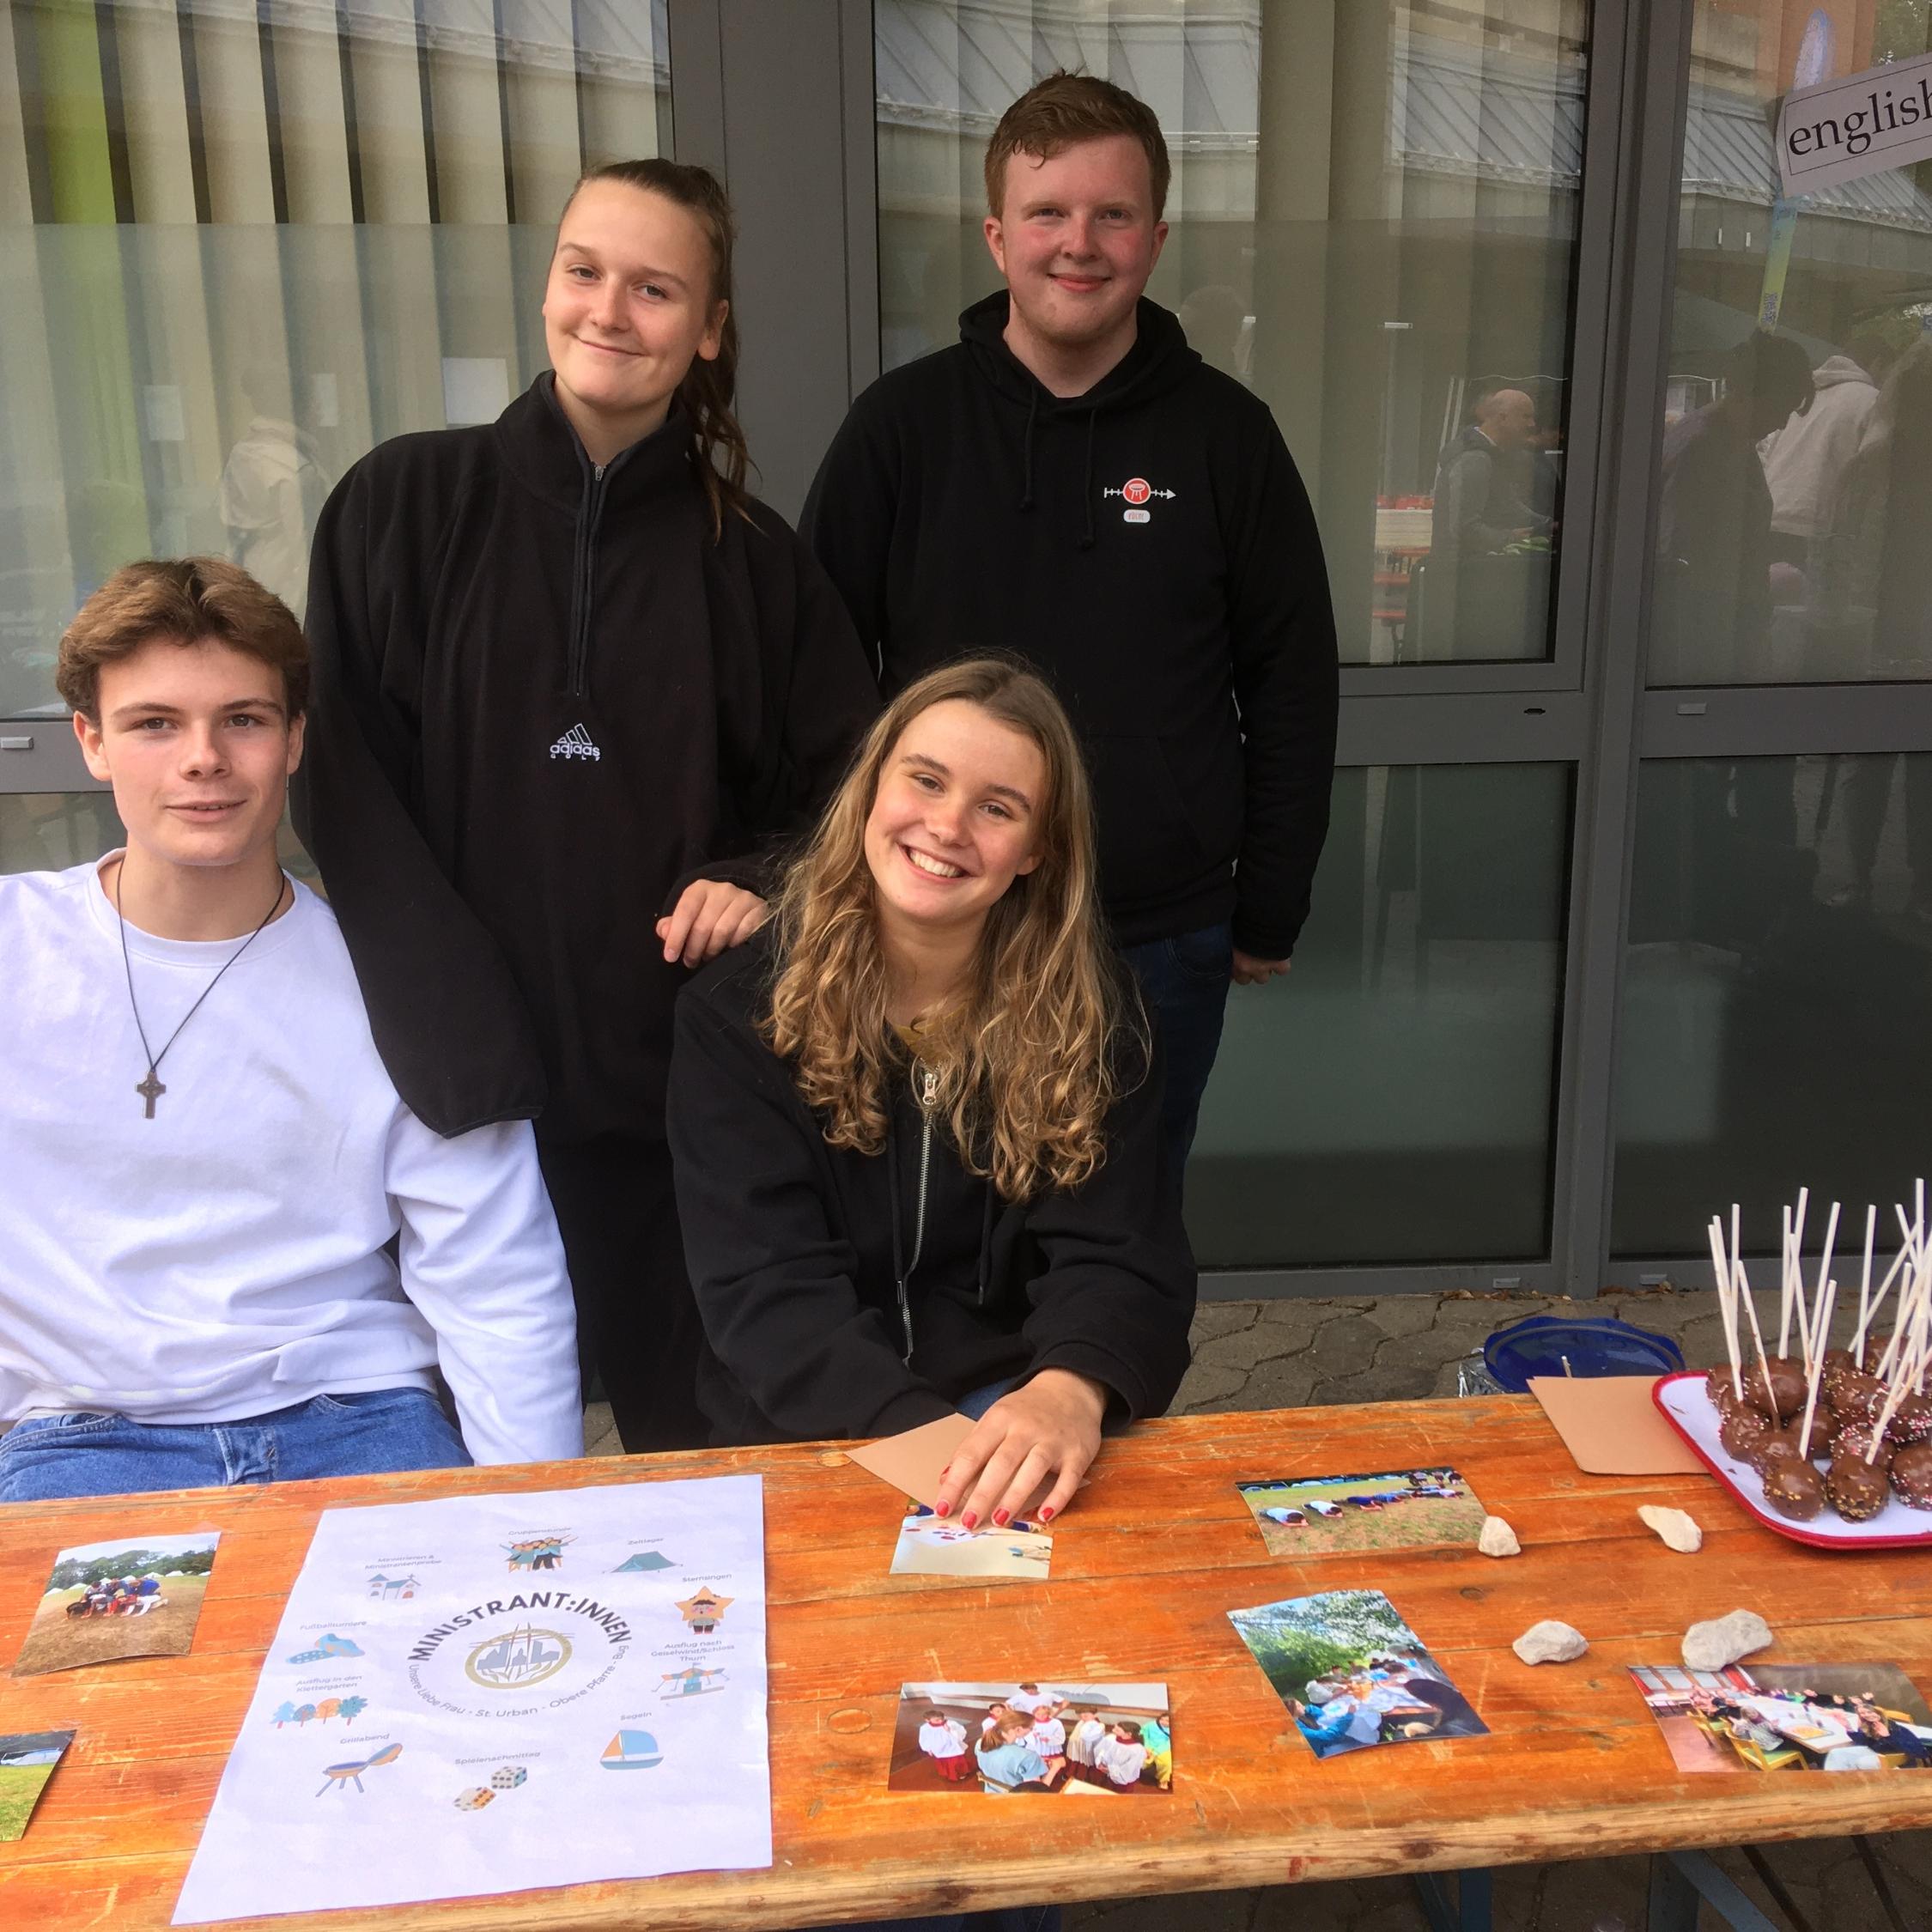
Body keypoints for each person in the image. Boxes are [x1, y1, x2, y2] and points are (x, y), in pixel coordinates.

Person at [297, 159, 878, 1454]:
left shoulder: (757, 561)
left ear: (709, 328)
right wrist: (453, 1037)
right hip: (461, 1098)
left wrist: (763, 878)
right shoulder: (401, 508)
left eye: (655, 287)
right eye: (583, 270)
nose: (608, 310)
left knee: (701, 1455)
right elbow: (342, 781)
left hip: (685, 1100)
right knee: (486, 1469)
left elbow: (846, 800)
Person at [801, 72, 1339, 1191]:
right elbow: (814, 676)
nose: (1077, 244)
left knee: (1120, 1238)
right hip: (936, 925)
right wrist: (833, 892)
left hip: (1156, 933)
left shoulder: (1227, 439)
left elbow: (1290, 678)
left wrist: (1267, 901)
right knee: (924, 1229)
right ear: (997, 236)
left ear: (1155, 235)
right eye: (1047, 213)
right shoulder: (900, 431)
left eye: (1111, 214)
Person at [0, 559, 581, 1503]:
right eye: (155, 723)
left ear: (295, 738)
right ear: (91, 741)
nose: (203, 759)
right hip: (84, 1437)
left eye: (244, 719)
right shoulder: (14, 945)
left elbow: (494, 1269)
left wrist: (530, 1515)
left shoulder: (406, 974)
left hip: (356, 1417)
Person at [667, 659, 1197, 1528]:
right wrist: (932, 1457)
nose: (947, 825)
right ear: (871, 791)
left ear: (1038, 851)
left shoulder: (1097, 1018)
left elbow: (1124, 1251)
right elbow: (766, 1291)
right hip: (800, 1422)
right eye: (925, 780)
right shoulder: (737, 1014)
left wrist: (1073, 1389)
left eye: (999, 807)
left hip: (1015, 1410)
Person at [975, 1716, 1056, 1792]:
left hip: (991, 1792)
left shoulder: (981, 1743)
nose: (1034, 1730)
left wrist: (1035, 1763)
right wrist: (1055, 1767)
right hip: (1015, 1799)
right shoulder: (1029, 1757)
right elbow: (1034, 1793)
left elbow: (1001, 1763)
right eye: (1032, 1727)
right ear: (1018, 1730)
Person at [916, 1710, 975, 1783]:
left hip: (953, 1748)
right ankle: (949, 1774)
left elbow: (962, 1732)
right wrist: (928, 1749)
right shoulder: (925, 1728)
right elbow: (924, 1739)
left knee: (957, 1762)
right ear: (927, 1720)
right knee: (945, 1762)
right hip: (939, 1749)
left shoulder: (950, 1723)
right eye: (937, 1720)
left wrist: (950, 1730)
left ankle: (961, 1772)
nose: (940, 1721)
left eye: (942, 1719)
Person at [1092, 1720, 1149, 1789]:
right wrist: (1100, 1761)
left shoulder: (1137, 1749)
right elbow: (1099, 1750)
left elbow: (1129, 1769)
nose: (1113, 1730)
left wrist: (1109, 1770)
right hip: (1103, 1773)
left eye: (1117, 1730)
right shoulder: (1111, 1738)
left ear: (1129, 1734)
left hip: (1120, 1781)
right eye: (1114, 1728)